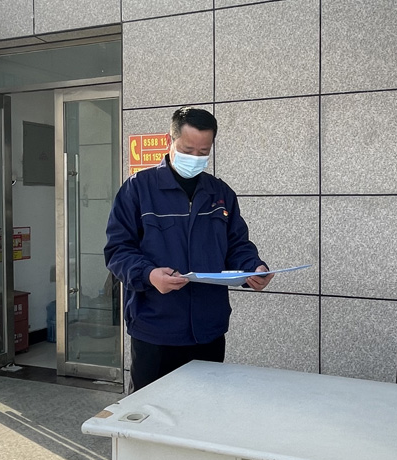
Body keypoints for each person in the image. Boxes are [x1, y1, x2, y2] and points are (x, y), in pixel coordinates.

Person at [104, 107, 273, 392]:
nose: (195, 158)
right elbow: (118, 250)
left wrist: (253, 267)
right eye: (187, 150)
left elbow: (237, 244)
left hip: (208, 330)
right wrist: (149, 275)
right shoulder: (138, 189)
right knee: (153, 408)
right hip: (156, 329)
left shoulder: (220, 193)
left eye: (203, 152)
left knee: (204, 406)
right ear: (169, 141)